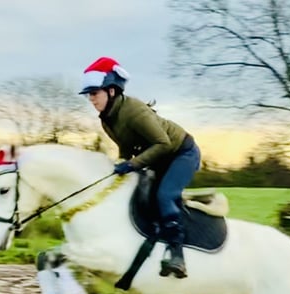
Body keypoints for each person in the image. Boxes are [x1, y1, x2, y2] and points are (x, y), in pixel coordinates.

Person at [79, 56, 201, 279]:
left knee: (164, 196)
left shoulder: (135, 111)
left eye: (95, 93)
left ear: (112, 91)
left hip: (182, 154)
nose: (91, 99)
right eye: (89, 94)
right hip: (158, 157)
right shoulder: (107, 119)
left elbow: (163, 143)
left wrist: (133, 164)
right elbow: (125, 149)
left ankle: (177, 256)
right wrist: (119, 168)